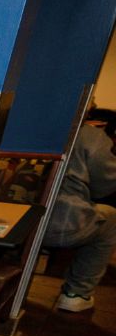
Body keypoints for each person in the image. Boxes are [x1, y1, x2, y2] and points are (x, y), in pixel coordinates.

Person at [42, 122, 116, 312]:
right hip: (59, 223)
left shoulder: (10, 119)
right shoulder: (88, 134)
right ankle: (76, 293)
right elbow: (105, 185)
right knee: (111, 219)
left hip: (1, 218)